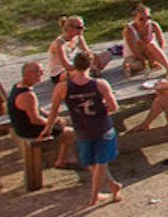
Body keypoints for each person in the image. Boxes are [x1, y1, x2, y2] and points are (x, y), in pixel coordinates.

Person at [39, 51, 121, 206]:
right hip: (102, 127)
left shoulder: (62, 87)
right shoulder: (100, 84)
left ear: (73, 66)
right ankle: (112, 185)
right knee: (97, 163)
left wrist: (48, 127)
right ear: (90, 65)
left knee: (94, 162)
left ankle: (95, 195)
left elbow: (53, 110)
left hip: (82, 129)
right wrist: (99, 108)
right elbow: (113, 107)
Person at [6, 60, 71, 164]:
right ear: (28, 74)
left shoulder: (19, 85)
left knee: (63, 121)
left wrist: (52, 117)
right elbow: (35, 119)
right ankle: (62, 161)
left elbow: (38, 108)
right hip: (27, 129)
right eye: (39, 72)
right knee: (70, 133)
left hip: (23, 124)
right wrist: (52, 122)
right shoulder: (27, 95)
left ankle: (61, 156)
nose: (42, 74)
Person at [45, 15, 109, 80]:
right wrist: (85, 67)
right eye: (79, 27)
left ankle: (87, 74)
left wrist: (95, 58)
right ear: (70, 28)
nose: (83, 29)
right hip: (61, 72)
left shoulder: (78, 37)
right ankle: (87, 75)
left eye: (83, 27)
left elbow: (87, 52)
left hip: (76, 67)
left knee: (106, 55)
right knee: (74, 74)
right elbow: (67, 66)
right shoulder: (59, 44)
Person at [121, 2, 168, 76]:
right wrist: (145, 60)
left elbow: (161, 43)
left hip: (150, 52)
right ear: (135, 18)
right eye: (141, 19)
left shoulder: (153, 25)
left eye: (148, 17)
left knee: (150, 45)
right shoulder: (129, 30)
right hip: (134, 55)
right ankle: (151, 64)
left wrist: (153, 57)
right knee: (137, 65)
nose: (145, 21)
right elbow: (134, 50)